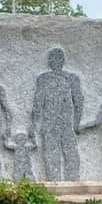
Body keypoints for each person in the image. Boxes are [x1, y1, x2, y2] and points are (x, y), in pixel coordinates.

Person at [30, 47, 83, 181]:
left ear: (63, 60)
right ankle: (54, 183)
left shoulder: (72, 78)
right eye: (52, 58)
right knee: (50, 154)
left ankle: (72, 182)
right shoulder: (43, 79)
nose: (55, 61)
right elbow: (38, 103)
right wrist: (34, 123)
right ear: (49, 61)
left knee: (71, 154)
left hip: (67, 123)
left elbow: (78, 101)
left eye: (59, 58)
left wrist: (76, 123)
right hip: (49, 123)